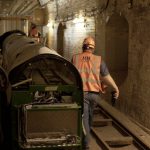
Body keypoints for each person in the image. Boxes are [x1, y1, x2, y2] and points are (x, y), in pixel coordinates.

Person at [71, 36, 119, 150]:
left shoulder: (75, 58)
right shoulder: (99, 60)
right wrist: (116, 88)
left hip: (82, 95)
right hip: (95, 96)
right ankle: (87, 138)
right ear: (93, 48)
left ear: (83, 46)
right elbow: (106, 77)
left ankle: (86, 144)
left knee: (84, 119)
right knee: (89, 116)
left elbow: (70, 75)